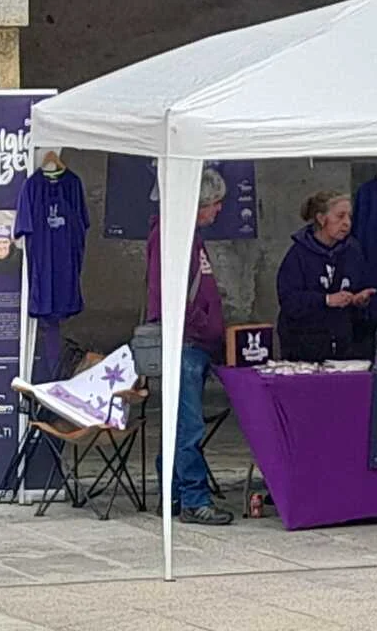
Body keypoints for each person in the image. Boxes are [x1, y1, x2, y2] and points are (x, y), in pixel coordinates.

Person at [146, 168, 233, 525]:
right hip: (185, 341)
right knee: (189, 424)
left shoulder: (189, 236)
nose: (219, 209)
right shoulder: (170, 235)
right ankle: (194, 499)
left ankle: (173, 494)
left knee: (180, 423)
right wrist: (201, 324)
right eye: (215, 203)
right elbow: (169, 291)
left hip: (194, 340)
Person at [276, 191, 376, 361]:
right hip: (304, 346)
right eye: (340, 216)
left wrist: (358, 299)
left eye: (349, 217)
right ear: (321, 219)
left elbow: (361, 285)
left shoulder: (353, 250)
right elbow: (289, 300)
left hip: (345, 346)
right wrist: (326, 300)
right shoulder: (298, 254)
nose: (347, 223)